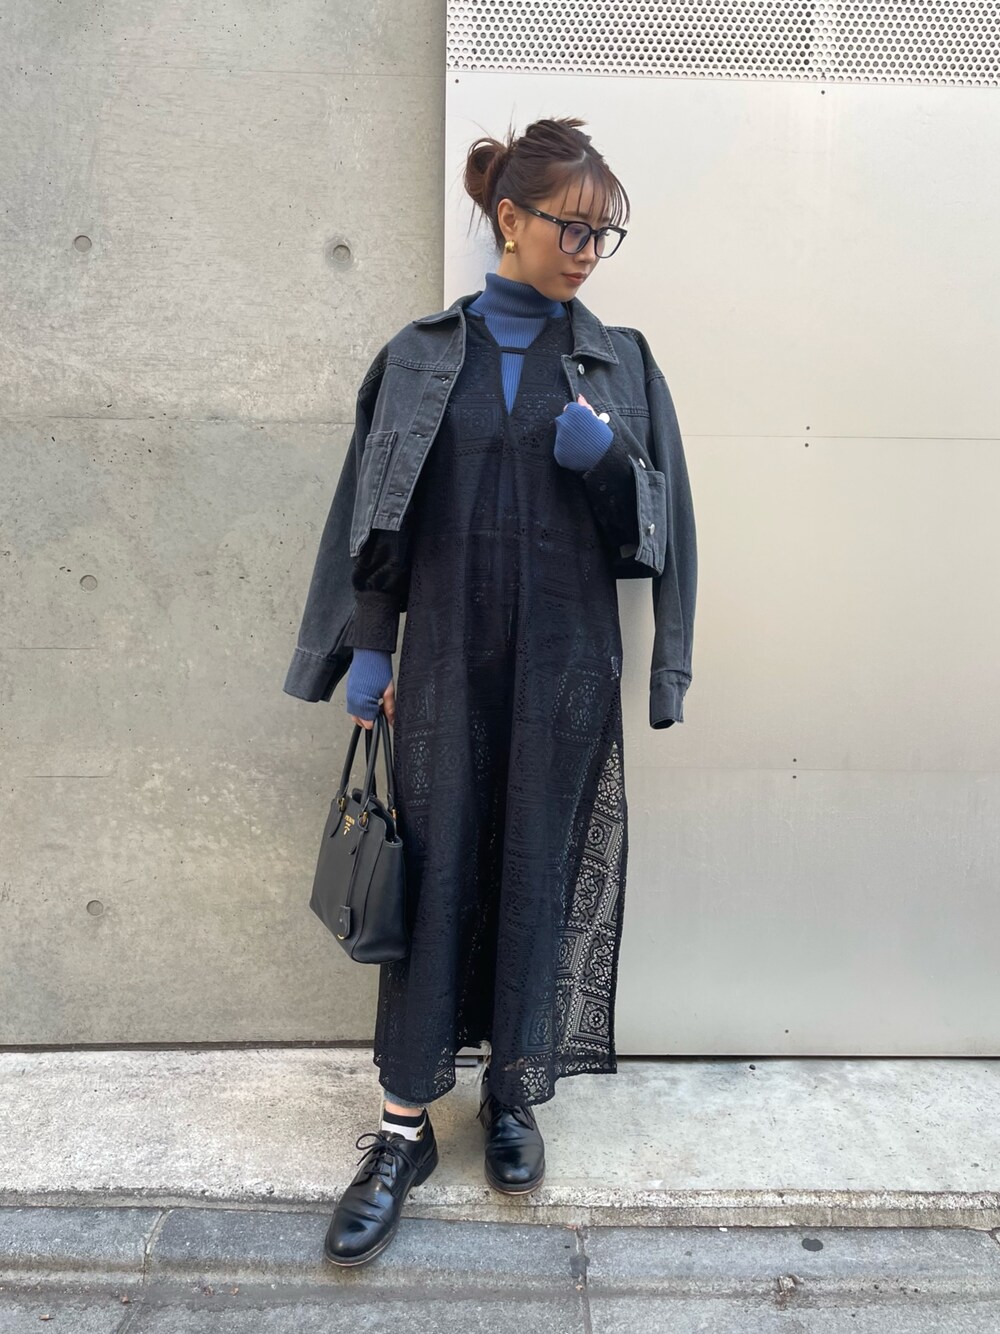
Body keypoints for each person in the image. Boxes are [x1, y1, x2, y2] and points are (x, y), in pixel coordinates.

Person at [283, 116, 697, 1267]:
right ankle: (401, 1128)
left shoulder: (621, 362)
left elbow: (657, 533)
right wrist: (370, 652)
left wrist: (606, 464)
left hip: (565, 668)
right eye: (573, 227)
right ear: (509, 218)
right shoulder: (422, 355)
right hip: (448, 663)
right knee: (435, 874)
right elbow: (375, 514)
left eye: (604, 234)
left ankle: (513, 1093)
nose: (588, 252)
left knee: (535, 868)